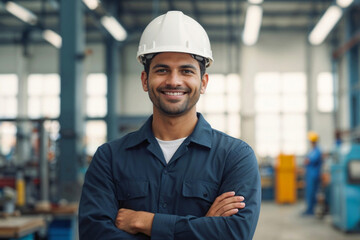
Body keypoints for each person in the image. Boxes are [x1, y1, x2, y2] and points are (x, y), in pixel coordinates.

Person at [79, 11, 261, 239]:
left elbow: (235, 233)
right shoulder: (109, 158)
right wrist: (203, 227)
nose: (174, 80)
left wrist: (145, 221)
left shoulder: (234, 157)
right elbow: (94, 234)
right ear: (145, 80)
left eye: (186, 70)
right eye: (162, 70)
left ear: (203, 82)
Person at [303, 131, 323, 216]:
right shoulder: (313, 151)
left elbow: (308, 161)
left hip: (313, 176)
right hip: (310, 175)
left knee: (312, 193)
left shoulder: (317, 151)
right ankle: (309, 209)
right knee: (309, 193)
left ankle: (311, 210)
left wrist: (307, 161)